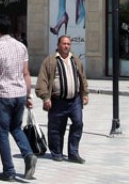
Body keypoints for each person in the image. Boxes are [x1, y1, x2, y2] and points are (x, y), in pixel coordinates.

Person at [0, 14, 38, 181]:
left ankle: (9, 171)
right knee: (16, 128)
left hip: (4, 95)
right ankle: (28, 154)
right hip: (20, 94)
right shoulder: (21, 47)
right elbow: (26, 73)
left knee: (3, 133)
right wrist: (29, 95)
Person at [35, 35, 89, 164]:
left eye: (68, 44)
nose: (66, 46)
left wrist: (84, 93)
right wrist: (45, 97)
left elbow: (82, 77)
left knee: (78, 123)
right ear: (58, 45)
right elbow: (42, 81)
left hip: (74, 100)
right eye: (64, 44)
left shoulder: (75, 60)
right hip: (57, 101)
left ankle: (73, 153)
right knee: (56, 128)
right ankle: (57, 152)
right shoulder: (50, 61)